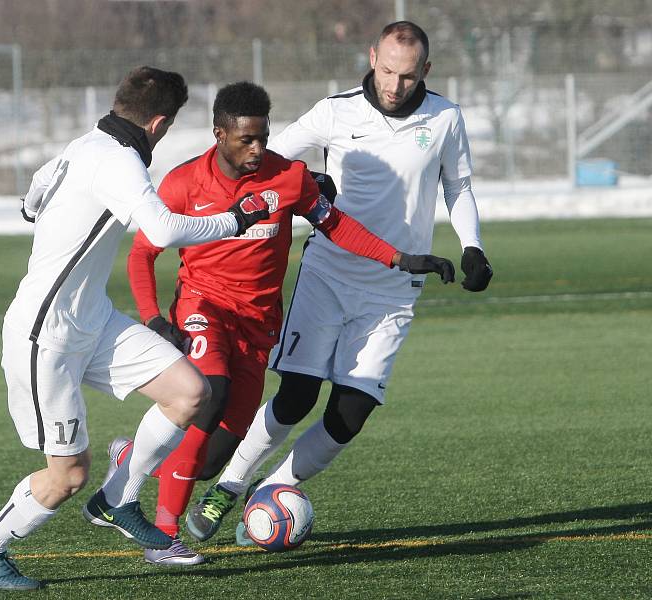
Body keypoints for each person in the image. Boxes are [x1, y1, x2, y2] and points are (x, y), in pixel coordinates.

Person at [112, 81, 454, 565]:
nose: (257, 150)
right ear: (218, 134)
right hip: (202, 306)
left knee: (210, 460)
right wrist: (151, 317)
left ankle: (132, 458)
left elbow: (336, 225)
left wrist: (399, 258)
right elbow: (142, 255)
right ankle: (164, 537)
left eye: (263, 138)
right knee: (208, 395)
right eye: (245, 140)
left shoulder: (289, 178)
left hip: (257, 326)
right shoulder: (183, 183)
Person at [0, 66, 270, 591]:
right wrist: (232, 221)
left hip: (92, 318)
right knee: (67, 476)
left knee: (189, 392)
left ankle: (117, 499)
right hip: (45, 334)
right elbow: (164, 229)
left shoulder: (85, 145)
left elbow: (32, 197)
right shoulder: (119, 160)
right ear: (160, 123)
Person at [191, 21, 494, 545]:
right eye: (387, 71)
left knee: (352, 413)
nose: (395, 86)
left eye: (407, 75)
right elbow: (270, 157)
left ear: (426, 70)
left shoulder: (445, 117)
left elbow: (458, 185)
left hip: (395, 287)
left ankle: (274, 490)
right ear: (372, 56)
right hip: (329, 274)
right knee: (296, 397)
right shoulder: (336, 110)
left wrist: (473, 246)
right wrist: (311, 181)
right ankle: (229, 487)